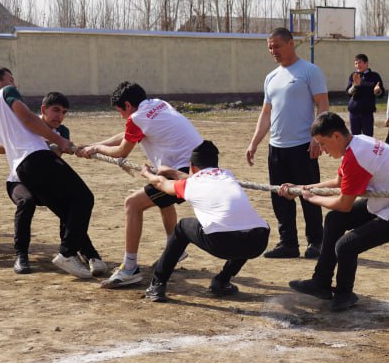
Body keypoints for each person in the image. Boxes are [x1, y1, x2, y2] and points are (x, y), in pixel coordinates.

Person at [286, 112, 389, 311]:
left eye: (323, 144)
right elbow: (338, 182)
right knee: (334, 220)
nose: (322, 150)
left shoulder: (356, 156)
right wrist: (302, 188)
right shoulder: (357, 143)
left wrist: (311, 198)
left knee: (346, 246)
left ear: (336, 136)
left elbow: (344, 204)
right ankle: (321, 282)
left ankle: (345, 294)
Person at [0, 66, 105, 279]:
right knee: (84, 198)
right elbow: (27, 119)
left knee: (67, 209)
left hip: (23, 167)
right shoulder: (7, 92)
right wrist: (58, 140)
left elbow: (12, 136)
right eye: (11, 79)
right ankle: (66, 253)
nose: (14, 84)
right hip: (34, 158)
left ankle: (86, 254)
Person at [80, 81, 205, 287]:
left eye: (121, 112)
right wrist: (95, 145)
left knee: (132, 204)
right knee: (163, 200)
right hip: (198, 165)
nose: (122, 117)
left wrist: (97, 149)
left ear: (128, 105)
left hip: (184, 173)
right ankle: (176, 249)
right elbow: (127, 136)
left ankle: (129, 268)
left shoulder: (137, 118)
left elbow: (121, 151)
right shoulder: (158, 104)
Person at [139, 141, 271, 302]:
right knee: (243, 224)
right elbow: (198, 177)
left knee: (181, 228)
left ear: (192, 166)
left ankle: (157, 284)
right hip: (258, 242)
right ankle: (222, 281)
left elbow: (161, 183)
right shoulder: (227, 174)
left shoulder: (190, 184)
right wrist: (171, 171)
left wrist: (147, 174)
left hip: (221, 243)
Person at [246, 28, 329, 259]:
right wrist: (254, 143)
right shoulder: (271, 77)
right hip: (277, 148)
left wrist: (317, 137)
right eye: (270, 48)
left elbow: (323, 105)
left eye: (277, 46)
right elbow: (266, 113)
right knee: (280, 197)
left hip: (303, 146)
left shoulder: (310, 71)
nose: (273, 51)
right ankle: (288, 243)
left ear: (291, 44)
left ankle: (317, 242)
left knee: (308, 195)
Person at [0, 91, 73, 274]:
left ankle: (69, 251)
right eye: (56, 110)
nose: (59, 116)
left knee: (70, 203)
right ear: (43, 110)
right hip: (18, 181)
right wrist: (25, 143)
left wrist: (49, 143)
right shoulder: (25, 124)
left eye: (63, 112)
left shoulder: (62, 132)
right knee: (26, 202)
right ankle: (21, 255)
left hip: (44, 182)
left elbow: (55, 156)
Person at [345, 53, 383, 137]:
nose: (357, 65)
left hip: (367, 112)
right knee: (355, 137)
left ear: (366, 63)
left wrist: (377, 91)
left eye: (360, 62)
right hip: (354, 112)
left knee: (368, 138)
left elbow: (381, 94)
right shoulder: (354, 76)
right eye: (356, 63)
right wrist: (355, 86)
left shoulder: (374, 76)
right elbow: (348, 93)